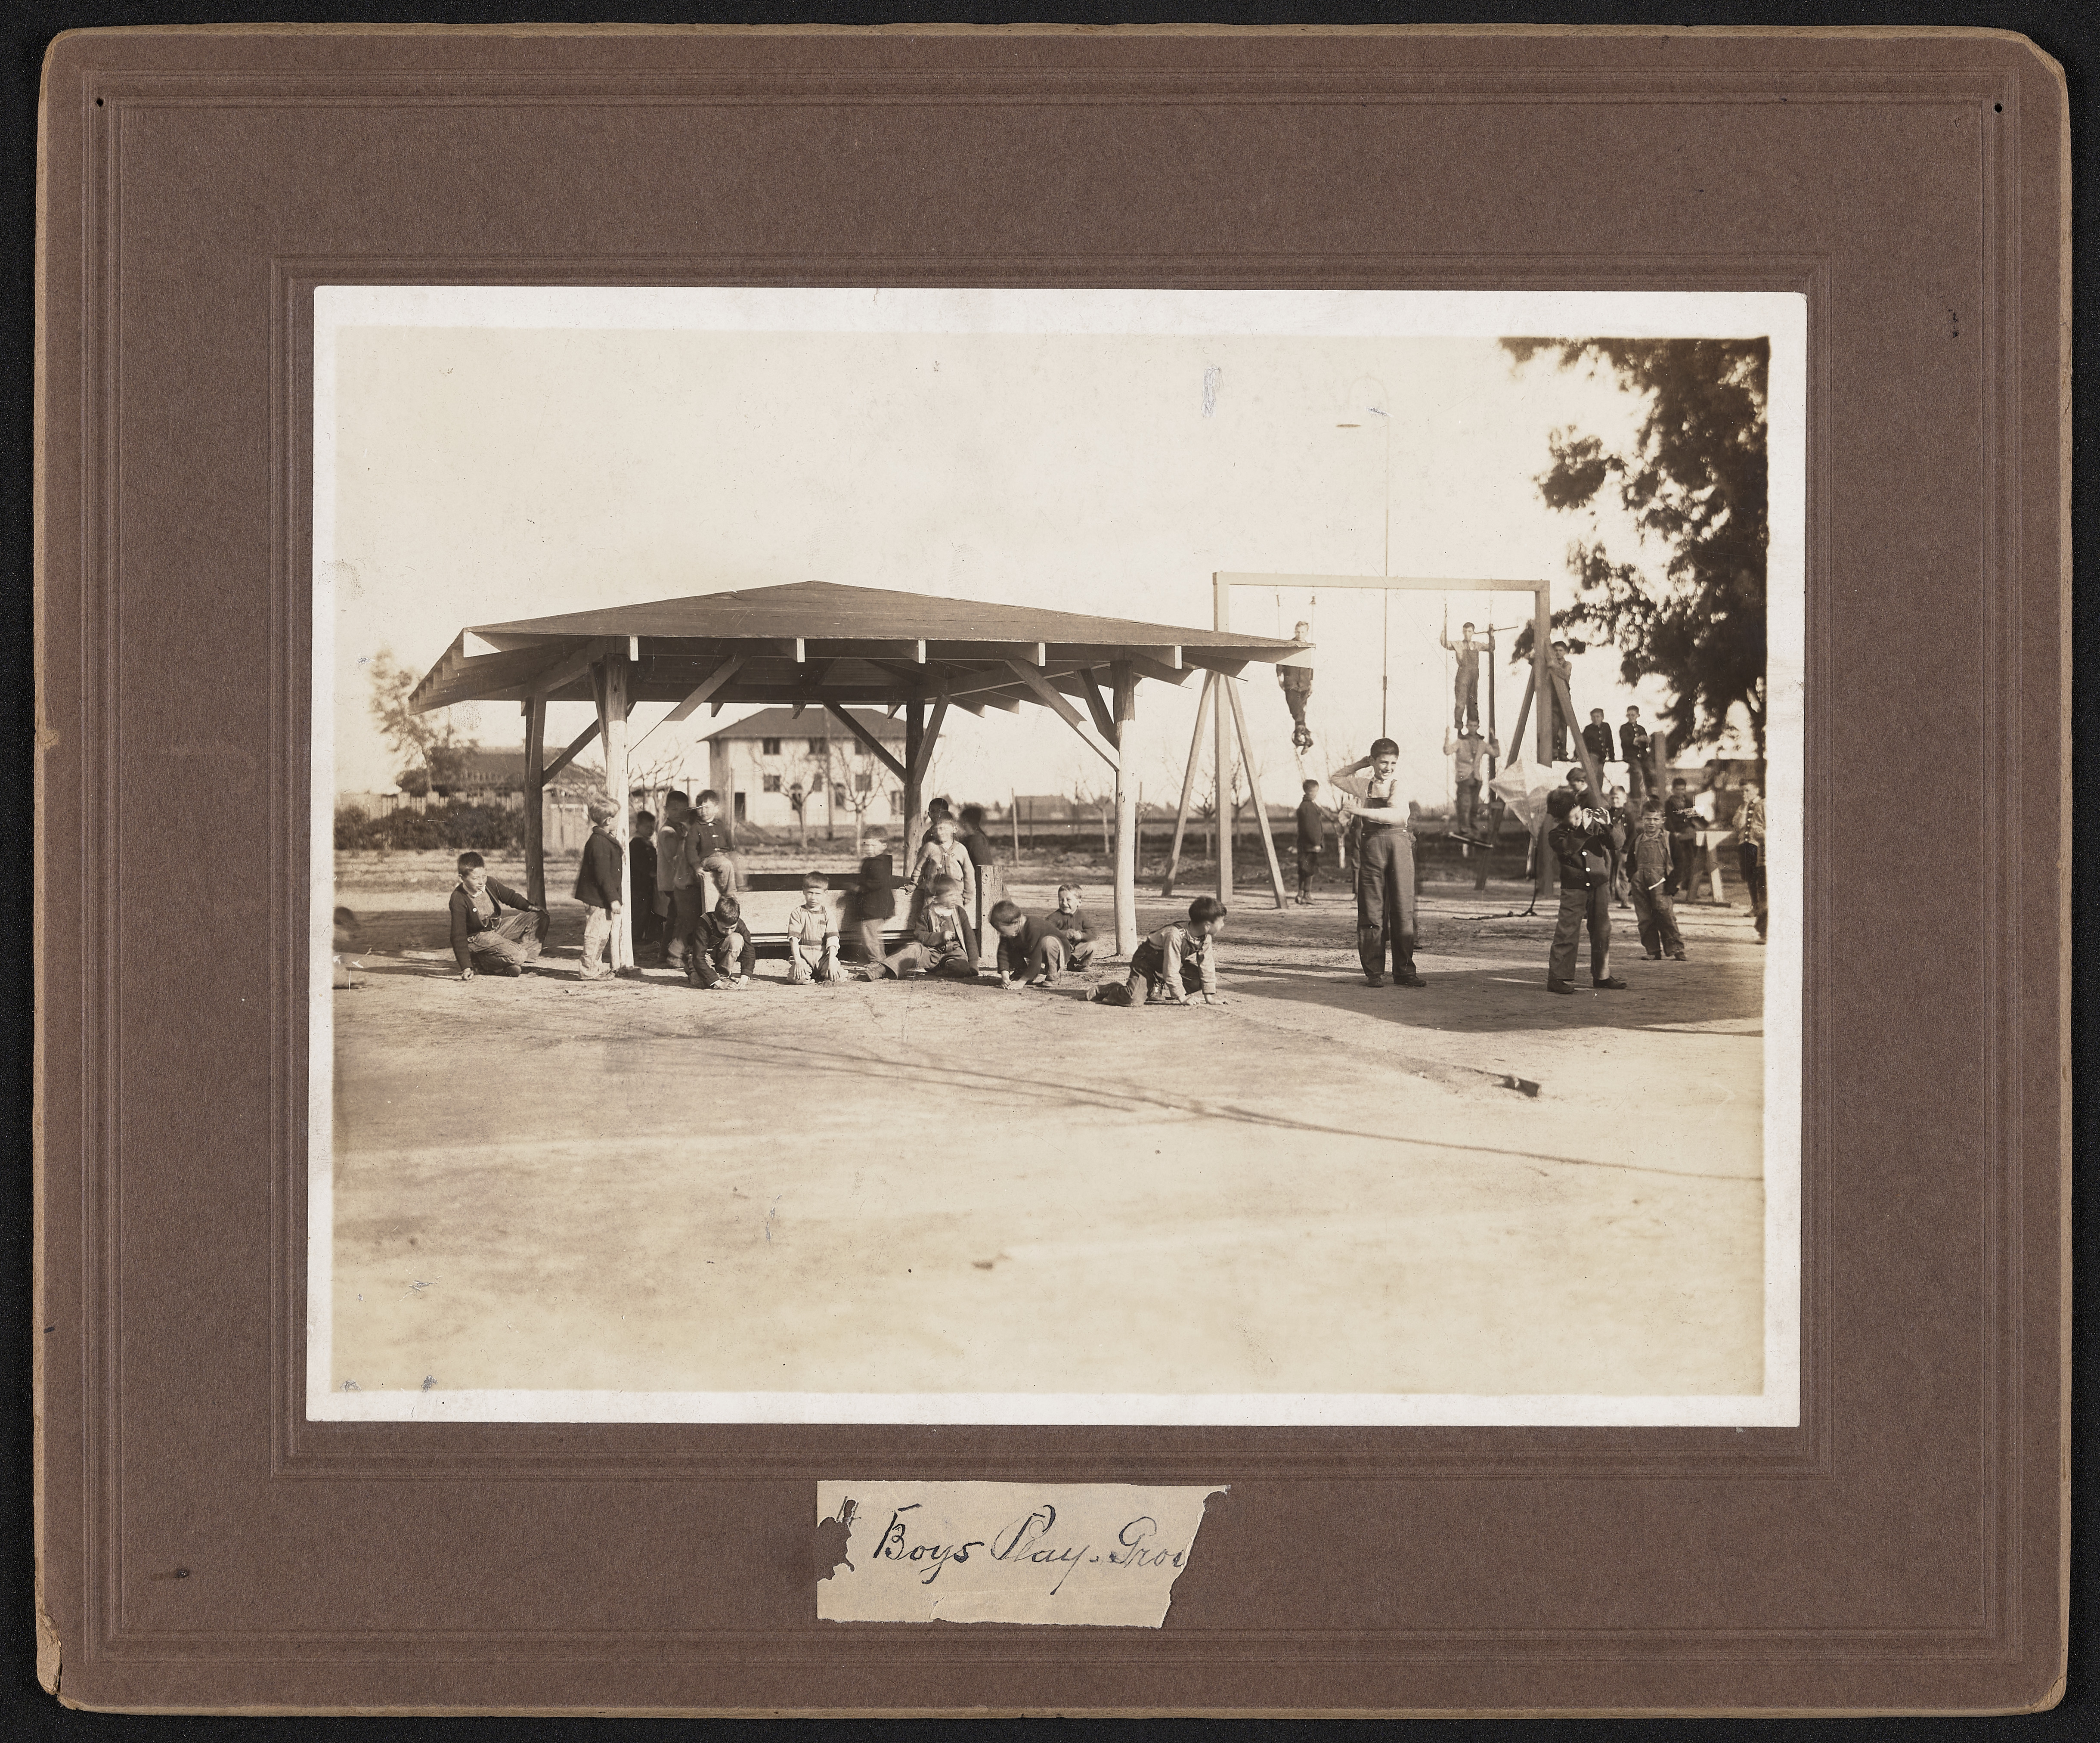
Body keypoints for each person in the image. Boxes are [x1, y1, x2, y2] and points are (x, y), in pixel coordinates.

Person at [1330, 738, 1424, 989]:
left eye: (1393, 762)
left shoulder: (1398, 785)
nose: (1389, 767)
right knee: (1371, 908)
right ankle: (1374, 972)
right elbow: (1337, 778)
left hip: (1399, 845)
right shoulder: (1364, 785)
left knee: (1403, 909)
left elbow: (1396, 815)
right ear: (1374, 762)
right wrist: (1360, 764)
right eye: (1383, 762)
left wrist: (1358, 812)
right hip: (1372, 847)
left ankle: (1405, 972)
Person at [1544, 788, 1626, 994]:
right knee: (1568, 930)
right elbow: (1568, 847)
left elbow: (1617, 843)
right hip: (1574, 888)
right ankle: (1557, 977)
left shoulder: (1596, 827)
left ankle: (1602, 976)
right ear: (1560, 819)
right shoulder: (1557, 835)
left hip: (1599, 885)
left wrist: (1608, 824)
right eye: (1573, 818)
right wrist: (1585, 830)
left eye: (1580, 814)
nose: (1579, 819)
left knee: (1602, 930)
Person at [1094, 895, 1227, 1007]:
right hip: (1146, 964)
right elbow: (1171, 969)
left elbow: (1207, 966)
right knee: (1133, 1000)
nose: (1223, 925)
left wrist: (1209, 998)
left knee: (1199, 981)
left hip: (1167, 966)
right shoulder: (1175, 935)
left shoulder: (1205, 937)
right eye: (1221, 922)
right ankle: (1110, 990)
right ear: (1207, 925)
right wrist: (1182, 998)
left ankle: (1155, 986)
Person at [447, 851, 545, 980]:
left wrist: (529, 906)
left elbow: (509, 896)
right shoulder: (458, 898)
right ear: (462, 878)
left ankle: (520, 963)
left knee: (540, 917)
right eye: (475, 878)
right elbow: (458, 935)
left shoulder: (490, 884)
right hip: (478, 938)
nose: (481, 882)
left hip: (497, 929)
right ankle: (481, 963)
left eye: (484, 876)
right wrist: (466, 967)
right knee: (519, 954)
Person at [880, 872, 979, 979]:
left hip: (954, 954)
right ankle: (884, 968)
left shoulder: (960, 912)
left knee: (961, 967)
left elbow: (970, 939)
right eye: (950, 896)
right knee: (913, 949)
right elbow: (919, 935)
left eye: (956, 895)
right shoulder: (927, 913)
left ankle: (943, 971)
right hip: (932, 953)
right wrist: (940, 937)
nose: (954, 898)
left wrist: (973, 965)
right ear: (937, 898)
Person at [1627, 796, 1687, 961]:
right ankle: (1653, 951)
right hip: (1640, 883)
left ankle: (1676, 949)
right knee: (1645, 918)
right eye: (1648, 819)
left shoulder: (1669, 839)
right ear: (1642, 819)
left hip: (1661, 882)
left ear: (1663, 820)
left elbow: (1680, 862)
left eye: (1656, 819)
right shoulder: (1638, 840)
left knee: (1665, 914)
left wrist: (1673, 883)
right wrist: (1632, 877)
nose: (1651, 823)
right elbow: (1630, 862)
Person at [573, 799, 625, 981]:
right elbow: (603, 875)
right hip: (599, 898)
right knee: (595, 935)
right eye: (617, 817)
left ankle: (594, 967)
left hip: (601, 897)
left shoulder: (603, 839)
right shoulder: (599, 843)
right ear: (608, 821)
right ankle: (588, 971)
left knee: (601, 935)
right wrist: (613, 898)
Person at [655, 792, 699, 970]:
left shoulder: (679, 828)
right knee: (677, 917)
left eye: (683, 810)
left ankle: (665, 952)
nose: (679, 813)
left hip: (675, 881)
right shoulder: (668, 832)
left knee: (675, 916)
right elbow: (674, 856)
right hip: (672, 882)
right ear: (666, 810)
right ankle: (667, 953)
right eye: (674, 809)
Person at [908, 811, 976, 928]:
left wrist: (968, 894)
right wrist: (914, 884)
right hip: (933, 895)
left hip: (955, 895)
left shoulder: (961, 850)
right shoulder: (930, 847)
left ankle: (957, 943)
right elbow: (920, 868)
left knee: (958, 921)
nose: (940, 832)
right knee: (930, 919)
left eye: (944, 828)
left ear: (954, 829)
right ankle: (931, 940)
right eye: (937, 829)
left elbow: (969, 872)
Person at [989, 899, 1072, 988]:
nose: (1000, 934)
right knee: (1010, 943)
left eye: (1002, 930)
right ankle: (1021, 971)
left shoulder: (1033, 928)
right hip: (1036, 950)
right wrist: (1005, 977)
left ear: (1015, 923)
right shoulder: (1011, 931)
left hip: (1059, 949)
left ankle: (1053, 976)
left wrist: (1022, 982)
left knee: (1047, 943)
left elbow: (1036, 960)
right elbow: (1003, 954)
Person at [846, 830, 898, 968]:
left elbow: (878, 882)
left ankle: (878, 961)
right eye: (866, 845)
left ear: (884, 845)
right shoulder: (874, 861)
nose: (869, 849)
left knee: (869, 935)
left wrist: (859, 888)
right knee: (872, 934)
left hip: (874, 908)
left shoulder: (879, 864)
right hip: (874, 907)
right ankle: (880, 959)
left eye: (873, 846)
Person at [1443, 725, 1498, 846]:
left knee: (1474, 807)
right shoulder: (1461, 742)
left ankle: (1473, 832)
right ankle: (1465, 831)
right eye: (1471, 725)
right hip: (1464, 779)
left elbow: (1496, 753)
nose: (1473, 728)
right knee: (1464, 805)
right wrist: (1447, 736)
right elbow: (1448, 751)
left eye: (1475, 725)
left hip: (1476, 780)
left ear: (1478, 726)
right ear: (1467, 726)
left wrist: (1494, 738)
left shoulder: (1482, 743)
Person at [785, 872, 842, 983]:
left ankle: (825, 973)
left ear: (826, 893)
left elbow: (833, 939)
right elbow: (794, 939)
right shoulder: (798, 913)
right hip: (803, 958)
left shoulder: (827, 914)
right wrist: (798, 961)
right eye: (810, 893)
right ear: (804, 892)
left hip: (823, 958)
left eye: (818, 894)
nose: (813, 898)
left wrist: (831, 962)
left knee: (837, 977)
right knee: (797, 979)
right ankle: (806, 975)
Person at [684, 789, 740, 900]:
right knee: (725, 864)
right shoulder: (696, 828)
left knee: (738, 860)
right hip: (706, 859)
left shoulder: (721, 825)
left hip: (723, 856)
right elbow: (690, 849)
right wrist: (696, 866)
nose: (703, 811)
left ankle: (741, 887)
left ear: (716, 809)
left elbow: (732, 843)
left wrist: (734, 851)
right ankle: (729, 895)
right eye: (700, 808)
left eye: (707, 808)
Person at [691, 893, 757, 988]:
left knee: (736, 939)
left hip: (719, 955)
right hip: (702, 956)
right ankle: (695, 972)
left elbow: (749, 951)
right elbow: (698, 958)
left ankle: (723, 975)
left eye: (732, 928)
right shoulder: (704, 924)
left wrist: (745, 977)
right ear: (715, 919)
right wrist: (720, 984)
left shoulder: (740, 925)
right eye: (725, 929)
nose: (729, 932)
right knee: (702, 982)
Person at [1438, 618, 1484, 732]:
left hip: (1474, 677)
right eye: (1465, 631)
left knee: (1473, 704)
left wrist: (1492, 635)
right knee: (1461, 704)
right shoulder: (1459, 644)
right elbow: (1445, 643)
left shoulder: (1477, 645)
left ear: (1473, 632)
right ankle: (1459, 729)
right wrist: (1444, 629)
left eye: (1469, 631)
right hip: (1463, 676)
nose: (1467, 634)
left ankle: (1473, 732)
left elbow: (1491, 648)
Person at [1737, 780, 1768, 942]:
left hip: (1764, 850)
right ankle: (1763, 929)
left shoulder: (1764, 805)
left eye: (1748, 790)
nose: (1745, 794)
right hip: (1756, 850)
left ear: (1757, 789)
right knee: (1754, 880)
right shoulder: (1757, 806)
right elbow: (1740, 825)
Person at [1276, 621, 1315, 751]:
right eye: (1298, 631)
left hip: (1304, 684)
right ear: (1295, 631)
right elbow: (1280, 662)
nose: (1300, 634)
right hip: (1291, 683)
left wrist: (1312, 683)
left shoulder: (1309, 647)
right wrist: (1280, 678)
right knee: (1296, 710)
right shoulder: (1289, 645)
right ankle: (1305, 737)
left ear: (1307, 633)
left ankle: (1302, 739)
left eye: (1303, 632)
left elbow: (1311, 666)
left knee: (1300, 713)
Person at [1043, 884, 1097, 969]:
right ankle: (1053, 965)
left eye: (1069, 900)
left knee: (1091, 944)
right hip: (1061, 949)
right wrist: (1063, 934)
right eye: (1061, 900)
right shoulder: (1056, 916)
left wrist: (1082, 935)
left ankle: (1079, 964)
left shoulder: (1083, 916)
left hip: (1077, 950)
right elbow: (1045, 929)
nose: (1064, 903)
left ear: (1079, 902)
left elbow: (1094, 932)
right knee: (1047, 943)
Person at [1662, 776, 1700, 896]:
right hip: (1676, 834)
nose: (1680, 792)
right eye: (1678, 790)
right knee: (1679, 859)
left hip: (1687, 835)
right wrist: (1674, 833)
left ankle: (1689, 885)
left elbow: (1695, 816)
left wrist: (1706, 824)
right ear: (1673, 790)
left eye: (1683, 789)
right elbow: (1668, 820)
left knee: (1692, 858)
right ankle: (1675, 884)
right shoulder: (1669, 804)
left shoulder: (1688, 802)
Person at [629, 809, 659, 953]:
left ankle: (641, 938)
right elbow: (638, 864)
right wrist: (650, 872)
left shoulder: (649, 843)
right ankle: (635, 939)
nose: (650, 830)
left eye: (652, 827)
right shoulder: (636, 844)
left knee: (646, 911)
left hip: (646, 886)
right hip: (638, 885)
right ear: (638, 827)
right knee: (639, 912)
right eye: (647, 827)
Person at [1293, 779, 1327, 904]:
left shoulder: (1306, 805)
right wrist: (1316, 843)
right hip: (1310, 846)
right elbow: (1311, 828)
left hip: (1304, 845)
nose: (1316, 794)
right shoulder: (1309, 807)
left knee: (1304, 869)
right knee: (1309, 870)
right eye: (1315, 791)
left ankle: (1301, 894)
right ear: (1311, 792)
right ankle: (1306, 895)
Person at [1546, 640, 1574, 760]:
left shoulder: (1567, 664)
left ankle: (1563, 752)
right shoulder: (1549, 663)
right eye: (1556, 650)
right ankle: (1553, 752)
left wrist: (1553, 666)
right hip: (1552, 697)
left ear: (1565, 652)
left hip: (1563, 696)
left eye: (1560, 650)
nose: (1558, 653)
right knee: (1553, 724)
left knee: (1563, 725)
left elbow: (1565, 675)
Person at [1619, 707, 1652, 806]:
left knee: (1651, 770)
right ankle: (1636, 799)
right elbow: (1625, 741)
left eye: (1633, 715)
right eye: (1629, 715)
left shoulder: (1641, 728)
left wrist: (1646, 740)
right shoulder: (1624, 728)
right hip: (1631, 756)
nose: (1631, 717)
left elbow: (1645, 746)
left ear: (1638, 716)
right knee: (1637, 772)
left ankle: (1651, 796)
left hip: (1642, 756)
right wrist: (1637, 740)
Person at [1581, 707, 1616, 777]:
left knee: (1600, 773)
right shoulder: (1588, 729)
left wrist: (1612, 756)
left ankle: (1598, 788)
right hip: (1592, 754)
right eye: (1593, 717)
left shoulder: (1606, 726)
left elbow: (1610, 741)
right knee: (1593, 772)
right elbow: (1582, 743)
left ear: (1602, 718)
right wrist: (1576, 756)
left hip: (1602, 756)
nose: (1596, 719)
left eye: (1598, 717)